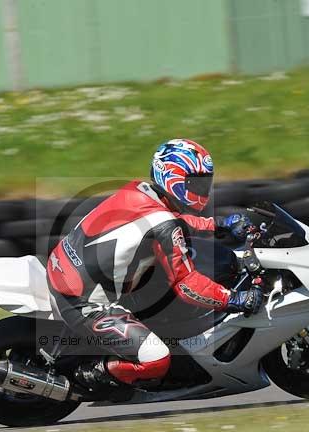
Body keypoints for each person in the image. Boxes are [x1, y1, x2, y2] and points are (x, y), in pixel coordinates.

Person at [46, 139, 263, 398]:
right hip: (84, 301)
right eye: (196, 183)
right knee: (156, 360)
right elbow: (187, 285)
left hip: (62, 266)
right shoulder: (164, 225)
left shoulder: (140, 191)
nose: (203, 190)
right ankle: (85, 379)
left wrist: (218, 225)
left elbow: (172, 221)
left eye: (205, 182)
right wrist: (234, 299)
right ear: (173, 179)